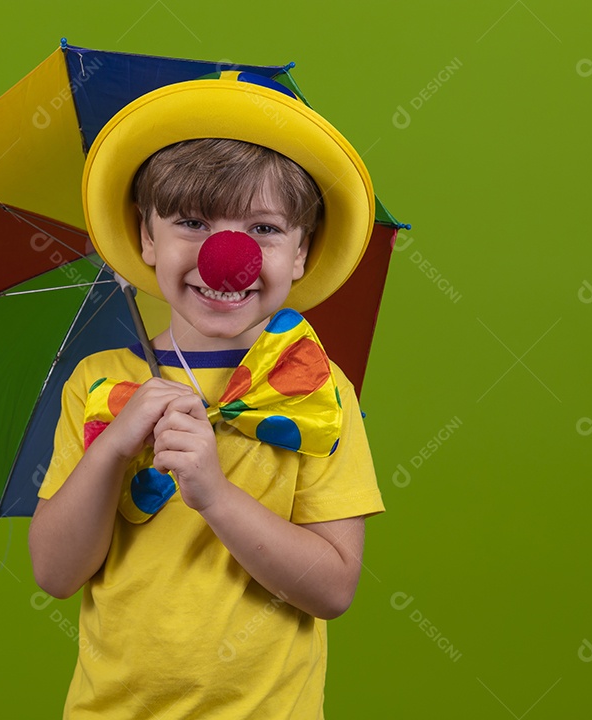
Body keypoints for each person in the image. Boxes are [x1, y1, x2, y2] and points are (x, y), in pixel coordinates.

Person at [28, 71, 385, 719]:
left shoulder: (316, 387)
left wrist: (214, 495)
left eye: (265, 230)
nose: (227, 255)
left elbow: (333, 587)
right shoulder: (101, 380)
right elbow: (54, 573)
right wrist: (111, 452)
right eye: (191, 221)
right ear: (145, 238)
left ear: (301, 252)